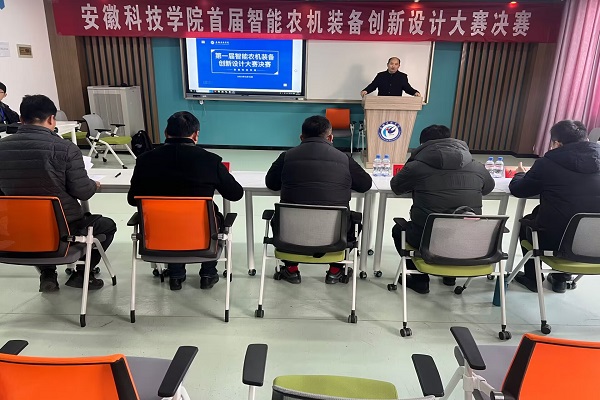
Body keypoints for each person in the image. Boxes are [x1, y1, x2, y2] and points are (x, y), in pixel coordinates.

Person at [0, 94, 114, 292]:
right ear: (52, 119)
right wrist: (93, 185)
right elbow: (82, 192)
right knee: (106, 225)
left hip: (17, 229)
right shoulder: (65, 148)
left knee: (40, 224)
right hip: (64, 229)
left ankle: (48, 274)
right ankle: (82, 274)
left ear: (21, 119)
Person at [127, 111, 243, 291]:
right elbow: (235, 194)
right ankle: (208, 274)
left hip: (159, 234)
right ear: (196, 135)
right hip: (201, 235)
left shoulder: (144, 161)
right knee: (213, 219)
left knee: (169, 221)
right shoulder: (210, 161)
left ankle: (176, 275)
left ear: (166, 133)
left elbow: (132, 200)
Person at [265, 115, 372, 284]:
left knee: (278, 219)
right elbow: (365, 184)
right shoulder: (344, 159)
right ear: (330, 138)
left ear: (301, 137)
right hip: (334, 236)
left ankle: (291, 270)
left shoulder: (286, 157)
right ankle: (336, 270)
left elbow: (271, 183)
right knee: (352, 222)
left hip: (291, 233)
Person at [390, 125, 495, 294]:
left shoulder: (417, 166)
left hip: (428, 240)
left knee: (399, 230)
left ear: (423, 144)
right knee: (455, 227)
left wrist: (413, 164)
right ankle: (449, 277)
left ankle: (420, 280)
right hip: (468, 239)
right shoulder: (477, 166)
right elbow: (488, 188)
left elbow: (396, 187)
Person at [510, 120, 600, 293]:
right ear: (587, 139)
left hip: (555, 242)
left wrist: (520, 174)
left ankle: (532, 278)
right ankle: (561, 279)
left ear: (557, 144)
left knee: (527, 223)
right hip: (596, 242)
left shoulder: (547, 163)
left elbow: (519, 190)